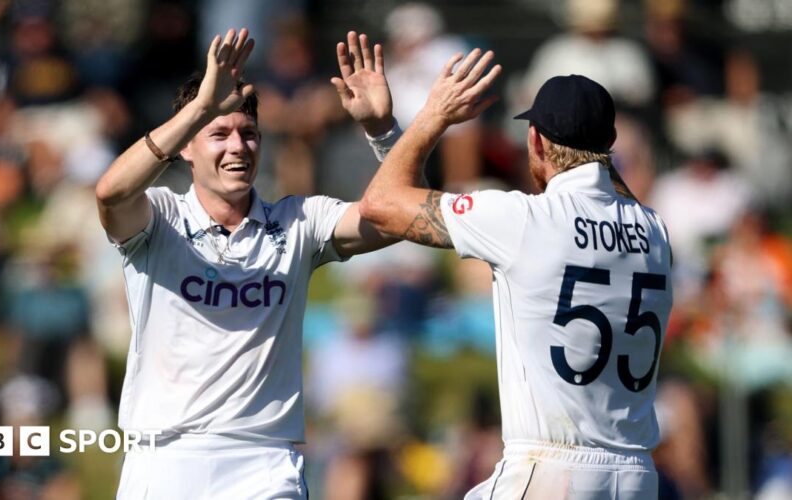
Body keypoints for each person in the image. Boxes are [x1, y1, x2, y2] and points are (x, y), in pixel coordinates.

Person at [95, 28, 399, 499]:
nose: (238, 146)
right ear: (186, 148)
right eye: (219, 133)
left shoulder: (301, 222)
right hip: (165, 457)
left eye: (249, 134)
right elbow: (110, 192)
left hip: (264, 461)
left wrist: (383, 132)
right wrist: (201, 108)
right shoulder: (159, 217)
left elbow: (398, 217)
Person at [360, 49, 673, 498]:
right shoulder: (655, 231)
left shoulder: (524, 220)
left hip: (552, 469)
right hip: (637, 475)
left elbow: (381, 205)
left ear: (537, 142)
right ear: (609, 145)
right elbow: (609, 190)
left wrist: (431, 115)